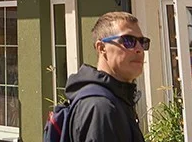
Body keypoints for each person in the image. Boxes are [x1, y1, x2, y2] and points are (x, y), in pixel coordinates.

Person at [62, 11, 147, 142]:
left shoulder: (117, 98)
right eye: (128, 41)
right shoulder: (100, 107)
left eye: (142, 42)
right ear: (101, 48)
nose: (139, 49)